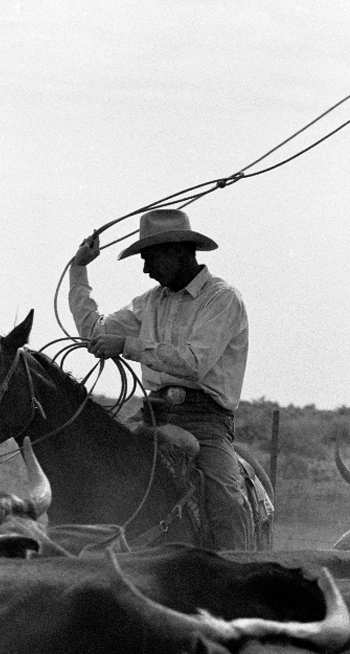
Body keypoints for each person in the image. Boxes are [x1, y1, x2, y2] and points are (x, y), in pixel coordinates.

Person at [68, 207, 258, 550]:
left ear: (179, 251)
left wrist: (126, 345)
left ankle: (237, 571)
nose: (145, 268)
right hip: (152, 413)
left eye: (150, 257)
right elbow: (94, 332)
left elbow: (193, 361)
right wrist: (79, 269)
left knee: (228, 501)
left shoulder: (222, 299)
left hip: (205, 422)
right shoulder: (150, 302)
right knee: (96, 466)